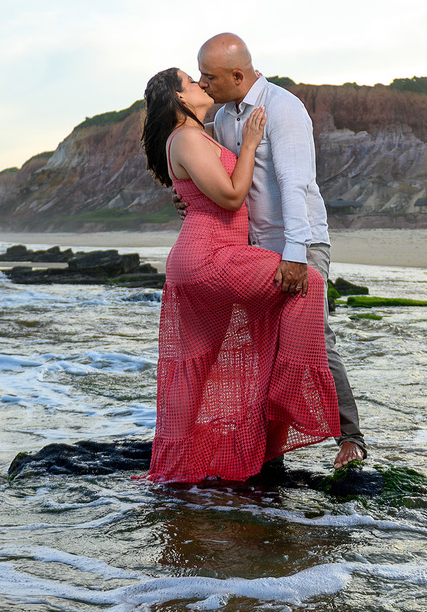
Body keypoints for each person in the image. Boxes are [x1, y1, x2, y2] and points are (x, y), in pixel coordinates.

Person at [139, 67, 345, 483]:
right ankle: (286, 405)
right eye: (192, 82)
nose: (201, 85)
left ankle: (183, 468)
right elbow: (232, 196)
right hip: (210, 255)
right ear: (180, 99)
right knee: (307, 284)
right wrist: (250, 143)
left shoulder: (203, 130)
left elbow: (203, 190)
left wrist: (192, 201)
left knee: (195, 365)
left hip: (212, 252)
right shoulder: (190, 136)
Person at [193, 33, 366, 469]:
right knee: (262, 347)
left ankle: (352, 439)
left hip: (300, 244)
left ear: (238, 74)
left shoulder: (282, 107)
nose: (203, 83)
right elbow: (226, 178)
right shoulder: (227, 118)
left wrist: (295, 253)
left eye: (209, 76)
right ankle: (267, 451)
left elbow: (296, 183)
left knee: (315, 342)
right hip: (254, 249)